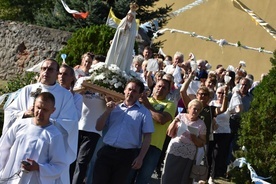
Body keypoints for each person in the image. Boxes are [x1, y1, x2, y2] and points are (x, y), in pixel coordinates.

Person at [3, 58, 79, 184]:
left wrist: (45, 120)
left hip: (48, 144)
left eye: (50, 69)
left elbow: (70, 122)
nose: (46, 72)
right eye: (44, 69)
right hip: (23, 141)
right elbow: (10, 112)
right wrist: (25, 114)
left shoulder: (65, 96)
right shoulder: (28, 89)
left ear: (56, 73)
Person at [92, 79, 154, 184]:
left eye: (134, 91)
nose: (130, 92)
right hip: (107, 152)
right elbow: (98, 127)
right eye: (129, 89)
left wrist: (140, 158)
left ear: (140, 95)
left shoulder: (144, 113)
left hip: (126, 156)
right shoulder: (114, 107)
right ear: (124, 90)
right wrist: (107, 112)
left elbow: (147, 137)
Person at [0, 92, 67, 184]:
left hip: (35, 179)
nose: (40, 112)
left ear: (53, 110)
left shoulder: (54, 135)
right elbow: (3, 148)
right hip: (11, 177)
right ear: (34, 105)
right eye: (38, 108)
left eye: (45, 110)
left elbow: (59, 165)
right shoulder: (20, 124)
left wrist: (38, 167)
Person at [128, 79, 176, 184]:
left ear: (168, 91)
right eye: (158, 86)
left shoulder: (170, 105)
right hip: (135, 142)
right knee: (128, 175)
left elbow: (161, 119)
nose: (160, 89)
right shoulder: (141, 100)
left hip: (154, 146)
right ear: (153, 88)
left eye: (164, 88)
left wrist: (146, 104)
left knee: (143, 179)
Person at [69, 59, 108, 184]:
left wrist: (106, 96)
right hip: (77, 125)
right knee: (71, 158)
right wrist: (82, 89)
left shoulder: (107, 85)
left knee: (82, 162)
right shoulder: (82, 81)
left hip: (93, 130)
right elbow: (72, 95)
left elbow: (112, 105)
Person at [162, 99, 206, 184]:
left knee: (183, 178)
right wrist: (175, 121)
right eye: (194, 108)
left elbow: (202, 143)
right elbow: (169, 133)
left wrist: (194, 138)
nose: (196, 111)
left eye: (198, 109)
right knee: (168, 174)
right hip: (174, 151)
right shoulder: (180, 116)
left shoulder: (201, 124)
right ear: (189, 108)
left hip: (188, 155)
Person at [105, 3, 139, 73]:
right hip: (119, 43)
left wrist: (128, 31)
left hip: (126, 46)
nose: (130, 17)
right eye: (129, 16)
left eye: (132, 16)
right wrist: (123, 29)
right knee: (115, 56)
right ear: (127, 15)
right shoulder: (123, 21)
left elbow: (132, 35)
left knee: (123, 58)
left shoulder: (134, 26)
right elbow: (118, 31)